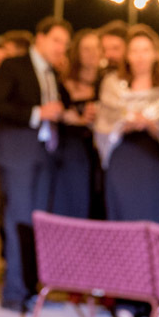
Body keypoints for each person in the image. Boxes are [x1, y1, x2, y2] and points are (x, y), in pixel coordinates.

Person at [0, 17, 71, 312]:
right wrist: (38, 112)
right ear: (40, 37)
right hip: (17, 153)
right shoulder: (14, 65)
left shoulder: (53, 73)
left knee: (37, 224)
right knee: (18, 220)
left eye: (65, 44)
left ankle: (32, 291)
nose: (61, 48)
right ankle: (14, 293)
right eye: (57, 41)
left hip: (44, 154)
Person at [94, 25, 159, 225]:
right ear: (127, 55)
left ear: (155, 54)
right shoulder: (112, 85)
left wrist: (153, 127)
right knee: (120, 217)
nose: (140, 56)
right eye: (134, 51)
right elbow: (102, 126)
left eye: (145, 50)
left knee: (148, 216)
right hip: (121, 157)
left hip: (151, 159)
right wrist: (121, 125)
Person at [53, 29, 100, 219]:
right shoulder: (62, 84)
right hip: (73, 154)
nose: (92, 53)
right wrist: (69, 117)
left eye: (96, 48)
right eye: (86, 49)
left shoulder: (109, 83)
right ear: (77, 53)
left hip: (101, 154)